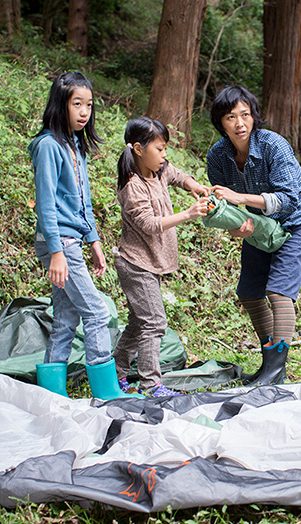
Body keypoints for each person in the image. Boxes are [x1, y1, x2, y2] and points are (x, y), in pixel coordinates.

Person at [206, 85, 301, 385]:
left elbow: (289, 199)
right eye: (231, 117)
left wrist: (241, 199)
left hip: (296, 219)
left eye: (245, 115)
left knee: (279, 291)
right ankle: (269, 364)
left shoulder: (273, 145)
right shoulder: (217, 156)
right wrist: (235, 227)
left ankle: (275, 371)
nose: (240, 123)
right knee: (249, 292)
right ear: (221, 122)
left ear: (254, 116)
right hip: (258, 224)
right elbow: (224, 207)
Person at [29, 71, 132, 400]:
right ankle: (107, 393)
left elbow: (82, 201)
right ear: (61, 105)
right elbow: (46, 204)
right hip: (59, 244)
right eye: (77, 104)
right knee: (97, 312)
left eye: (88, 105)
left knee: (66, 317)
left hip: (73, 241)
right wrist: (58, 252)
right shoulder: (48, 146)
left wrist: (95, 242)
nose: (84, 112)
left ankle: (52, 397)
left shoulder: (75, 145)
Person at [114, 116, 210, 397]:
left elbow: (177, 175)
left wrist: (193, 185)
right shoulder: (133, 185)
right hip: (135, 264)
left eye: (165, 148)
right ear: (138, 149)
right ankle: (151, 385)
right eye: (159, 149)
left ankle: (116, 373)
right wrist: (188, 214)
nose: (164, 155)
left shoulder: (159, 170)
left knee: (137, 323)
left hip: (149, 263)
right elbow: (149, 224)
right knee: (154, 322)